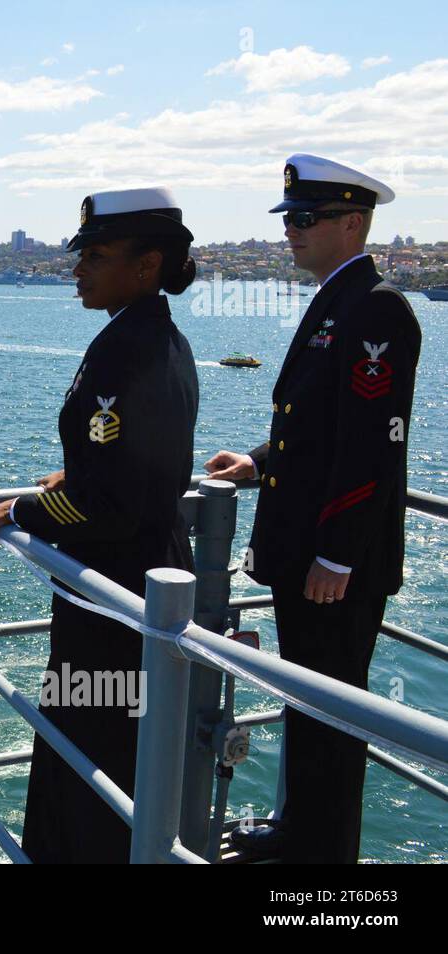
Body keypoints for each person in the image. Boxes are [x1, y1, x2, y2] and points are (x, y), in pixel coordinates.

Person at [205, 155, 421, 864]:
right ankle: (298, 832)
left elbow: (369, 449)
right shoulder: (340, 299)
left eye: (306, 218)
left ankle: (322, 868)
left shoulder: (377, 306)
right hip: (309, 556)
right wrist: (257, 462)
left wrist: (337, 553)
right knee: (310, 704)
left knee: (334, 716)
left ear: (352, 222)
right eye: (290, 218)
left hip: (335, 566)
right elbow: (312, 424)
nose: (291, 231)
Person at [0, 188, 200, 863]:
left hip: (115, 598)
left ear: (146, 263)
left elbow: (113, 505)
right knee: (95, 752)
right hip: (125, 585)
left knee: (92, 762)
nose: (78, 270)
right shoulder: (148, 336)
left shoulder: (125, 350)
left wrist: (17, 512)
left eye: (96, 257)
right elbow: (136, 461)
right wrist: (74, 477)